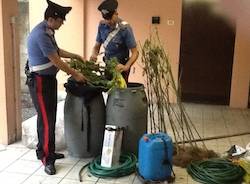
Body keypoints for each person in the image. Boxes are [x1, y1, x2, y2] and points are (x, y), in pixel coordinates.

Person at [26, 0, 86, 175]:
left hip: (48, 80)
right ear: (52, 19)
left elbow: (57, 51)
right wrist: (76, 74)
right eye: (61, 20)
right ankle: (47, 159)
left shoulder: (48, 30)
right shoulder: (41, 35)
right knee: (47, 120)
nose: (62, 23)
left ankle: (43, 150)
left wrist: (75, 55)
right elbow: (56, 60)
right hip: (40, 82)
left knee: (46, 117)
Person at [90, 0, 139, 83]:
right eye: (106, 19)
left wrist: (126, 66)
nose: (108, 21)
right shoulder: (102, 26)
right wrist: (94, 54)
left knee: (120, 93)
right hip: (108, 65)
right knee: (108, 90)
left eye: (110, 18)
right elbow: (97, 46)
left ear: (116, 13)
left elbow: (135, 53)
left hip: (121, 67)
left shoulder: (125, 29)